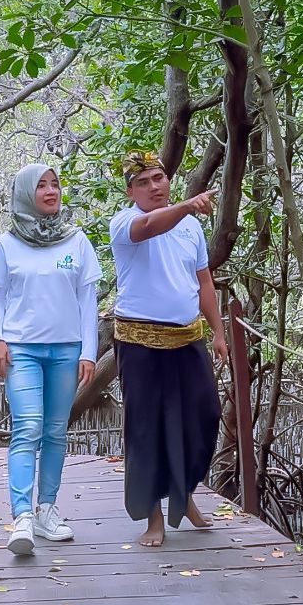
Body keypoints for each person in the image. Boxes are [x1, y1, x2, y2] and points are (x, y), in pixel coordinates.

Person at [108, 150, 226, 547]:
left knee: (205, 414)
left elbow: (204, 282)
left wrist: (220, 333)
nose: (154, 187)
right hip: (139, 342)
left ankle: (184, 494)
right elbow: (147, 228)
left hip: (188, 338)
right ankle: (153, 517)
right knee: (146, 429)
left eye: (159, 178)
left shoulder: (190, 228)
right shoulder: (125, 222)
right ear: (130, 191)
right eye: (143, 182)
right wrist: (187, 205)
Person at [0, 163, 100, 557]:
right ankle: (21, 517)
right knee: (28, 426)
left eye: (55, 185)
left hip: (66, 349)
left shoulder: (76, 240)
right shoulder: (8, 243)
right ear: (25, 193)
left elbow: (88, 299)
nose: (51, 192)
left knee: (54, 430)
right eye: (42, 186)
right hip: (22, 349)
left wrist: (89, 352)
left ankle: (47, 510)